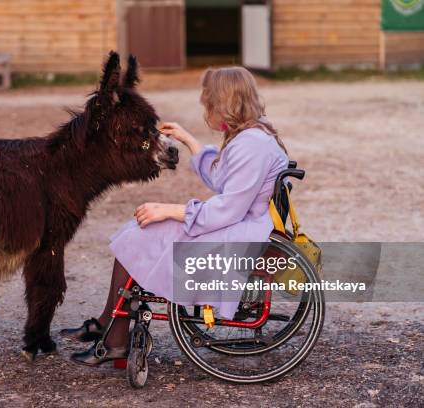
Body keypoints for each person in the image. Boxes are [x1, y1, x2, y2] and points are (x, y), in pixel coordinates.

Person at [62, 66, 289, 366]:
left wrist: (169, 210)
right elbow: (224, 181)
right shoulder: (255, 133)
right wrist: (188, 139)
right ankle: (110, 324)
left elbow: (228, 210)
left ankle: (115, 337)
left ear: (223, 103)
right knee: (139, 231)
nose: (205, 107)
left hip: (239, 231)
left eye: (208, 101)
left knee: (140, 235)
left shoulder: (252, 144)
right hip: (241, 224)